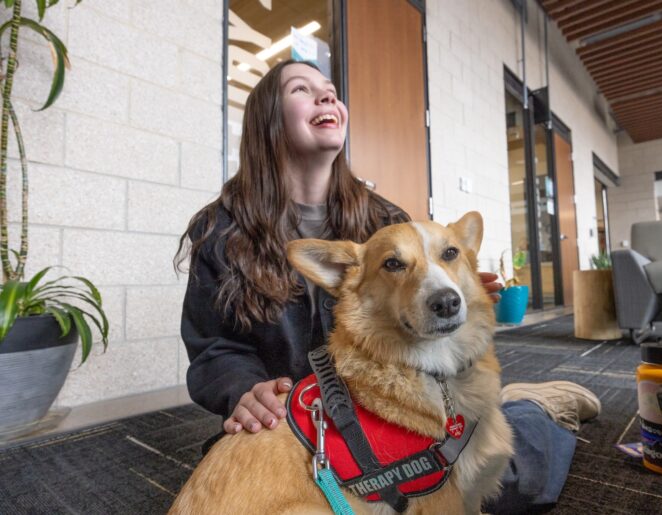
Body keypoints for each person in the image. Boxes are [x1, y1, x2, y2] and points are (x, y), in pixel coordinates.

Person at [175, 60, 600, 514]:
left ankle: (530, 408)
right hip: (298, 425)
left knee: (499, 479)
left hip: (390, 411)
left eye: (331, 90)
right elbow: (214, 347)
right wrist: (244, 389)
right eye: (302, 89)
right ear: (268, 121)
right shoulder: (221, 232)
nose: (327, 97)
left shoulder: (385, 219)